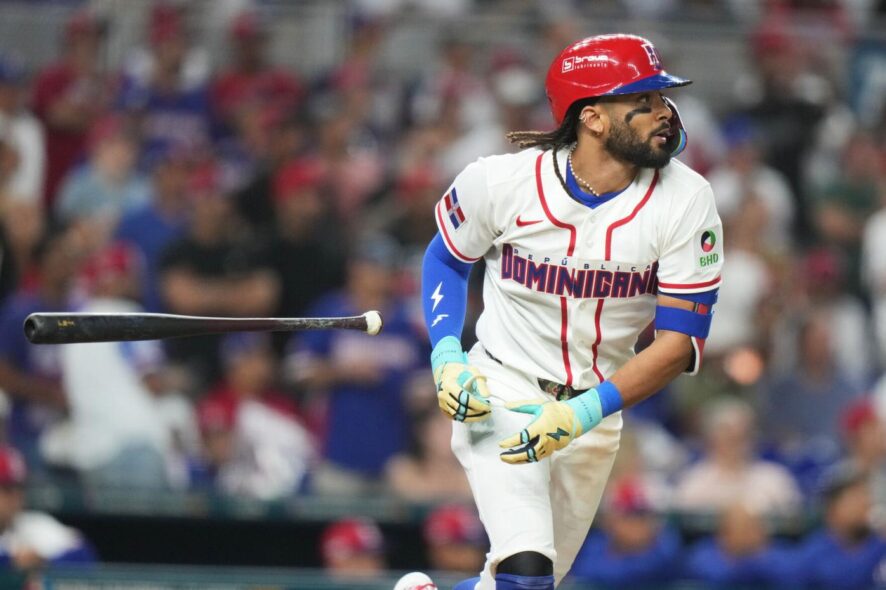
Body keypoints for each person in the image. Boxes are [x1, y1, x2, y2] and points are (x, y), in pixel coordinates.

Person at [405, 34, 724, 590]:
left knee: (529, 584)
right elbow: (447, 259)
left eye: (662, 98)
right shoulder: (501, 180)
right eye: (643, 100)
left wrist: (583, 413)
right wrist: (447, 354)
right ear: (592, 118)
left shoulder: (687, 199)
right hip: (501, 389)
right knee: (526, 572)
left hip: (594, 412)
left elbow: (677, 345)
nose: (664, 112)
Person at [0, 446, 96, 569]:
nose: (16, 497)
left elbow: (84, 555)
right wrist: (10, 562)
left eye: (20, 488)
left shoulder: (34, 524)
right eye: (6, 489)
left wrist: (46, 563)